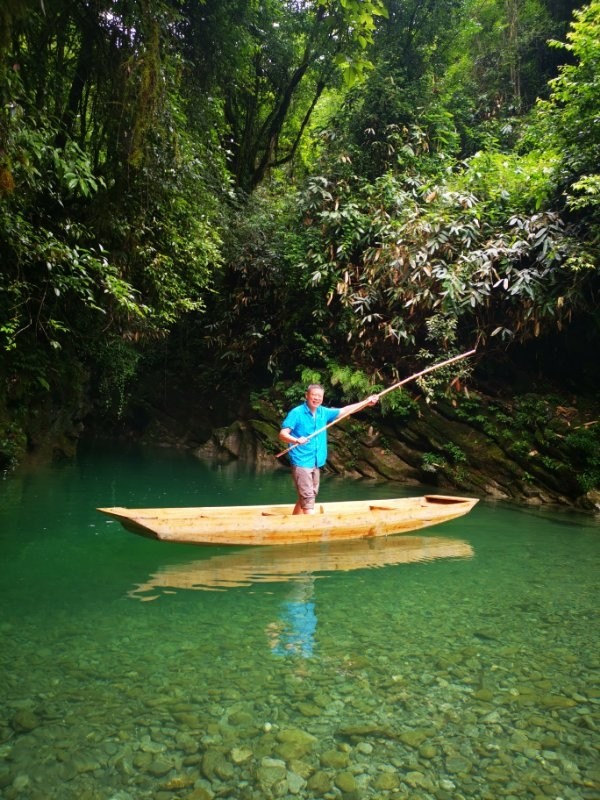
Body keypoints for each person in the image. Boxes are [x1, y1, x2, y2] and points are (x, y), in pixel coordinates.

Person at [279, 384, 378, 514]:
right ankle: (313, 528)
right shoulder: (297, 413)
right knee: (308, 498)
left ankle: (293, 524)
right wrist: (296, 440)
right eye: (314, 395)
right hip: (301, 460)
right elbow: (282, 434)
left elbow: (345, 410)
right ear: (307, 395)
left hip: (316, 461)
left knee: (309, 495)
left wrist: (366, 402)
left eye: (319, 396)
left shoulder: (323, 412)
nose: (316, 398)